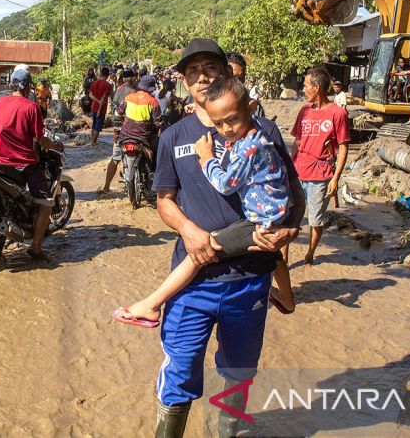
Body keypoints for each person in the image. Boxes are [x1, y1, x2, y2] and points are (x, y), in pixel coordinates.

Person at [142, 38, 304, 437]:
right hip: (194, 279)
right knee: (179, 368)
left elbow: (292, 191)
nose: (201, 76)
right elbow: (164, 200)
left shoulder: (261, 130)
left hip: (249, 280)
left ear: (227, 72)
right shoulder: (173, 136)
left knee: (238, 372)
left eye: (210, 67)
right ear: (183, 80)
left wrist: (288, 232)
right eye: (192, 71)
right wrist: (188, 229)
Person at [113, 75, 297, 329]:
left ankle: (152, 304)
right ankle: (286, 297)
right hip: (270, 216)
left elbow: (225, 184)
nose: (226, 130)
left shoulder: (250, 147)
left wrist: (205, 157)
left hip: (259, 222)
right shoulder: (257, 137)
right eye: (219, 124)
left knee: (200, 251)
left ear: (251, 109)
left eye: (232, 120)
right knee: (272, 253)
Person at [0, 68, 64, 260]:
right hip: (23, 162)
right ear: (29, 86)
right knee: (46, 202)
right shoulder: (31, 107)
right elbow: (41, 140)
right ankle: (36, 247)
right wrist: (55, 145)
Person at [290, 66, 350, 269]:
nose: (303, 89)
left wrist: (335, 178)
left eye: (306, 86)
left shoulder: (337, 113)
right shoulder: (304, 111)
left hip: (320, 175)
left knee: (315, 219)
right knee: (289, 217)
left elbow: (343, 147)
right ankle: (281, 261)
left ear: (316, 87)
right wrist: (289, 170)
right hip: (298, 173)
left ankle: (309, 255)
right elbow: (297, 143)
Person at [99, 69, 137, 194]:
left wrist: (116, 131)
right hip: (133, 130)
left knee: (115, 158)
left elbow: (114, 113)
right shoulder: (135, 93)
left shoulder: (118, 91)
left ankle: (106, 187)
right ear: (133, 78)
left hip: (119, 130)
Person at [117, 73, 162, 163]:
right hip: (144, 137)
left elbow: (118, 114)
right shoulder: (153, 102)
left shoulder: (128, 97)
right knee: (159, 149)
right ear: (151, 89)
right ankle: (154, 173)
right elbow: (158, 122)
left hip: (125, 135)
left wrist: (125, 122)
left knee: (116, 157)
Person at [89, 67, 113, 145]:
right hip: (101, 108)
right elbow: (103, 98)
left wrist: (97, 101)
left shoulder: (94, 83)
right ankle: (93, 142)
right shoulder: (108, 86)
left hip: (93, 107)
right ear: (108, 75)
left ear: (101, 74)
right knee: (98, 126)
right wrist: (99, 108)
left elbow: (90, 95)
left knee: (94, 124)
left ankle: (92, 140)